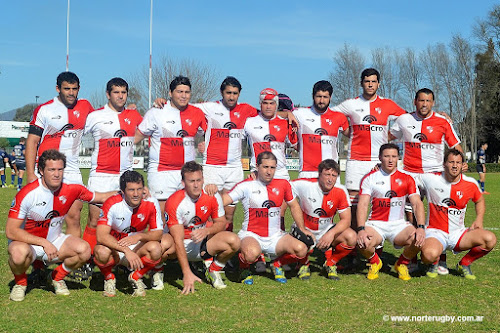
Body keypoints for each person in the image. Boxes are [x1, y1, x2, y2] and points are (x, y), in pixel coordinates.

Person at [6, 149, 116, 301]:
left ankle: (56, 277)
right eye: (51, 169)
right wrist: (43, 243)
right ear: (41, 171)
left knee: (84, 250)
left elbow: (101, 197)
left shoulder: (72, 189)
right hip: (28, 244)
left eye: (60, 169)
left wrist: (128, 192)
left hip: (55, 241)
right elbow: (11, 231)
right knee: (17, 254)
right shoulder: (27, 193)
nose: (56, 174)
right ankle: (21, 283)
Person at [390, 88, 463, 274]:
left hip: (435, 173)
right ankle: (412, 256)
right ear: (415, 102)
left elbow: (456, 146)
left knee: (440, 214)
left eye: (428, 101)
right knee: (411, 214)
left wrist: (460, 163)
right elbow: (387, 137)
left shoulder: (442, 121)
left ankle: (440, 259)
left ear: (433, 103)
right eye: (421, 100)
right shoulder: (404, 120)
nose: (424, 104)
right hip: (409, 173)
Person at [222, 151, 313, 285]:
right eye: (265, 167)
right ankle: (244, 268)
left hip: (275, 237)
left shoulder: (283, 184)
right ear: (257, 166)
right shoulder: (246, 185)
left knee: (302, 249)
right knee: (251, 253)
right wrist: (204, 198)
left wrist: (302, 228)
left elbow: (294, 206)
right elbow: (224, 200)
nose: (269, 171)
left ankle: (277, 264)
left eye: (272, 167)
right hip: (251, 235)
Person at [335, 69, 406, 230]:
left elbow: (408, 119)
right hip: (355, 161)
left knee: (379, 202)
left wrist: (390, 135)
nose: (370, 84)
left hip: (378, 161)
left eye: (373, 81)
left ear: (378, 84)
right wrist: (346, 131)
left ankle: (375, 243)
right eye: (367, 81)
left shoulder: (387, 104)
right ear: (361, 83)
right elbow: (330, 115)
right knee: (353, 204)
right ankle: (352, 244)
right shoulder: (351, 104)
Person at [26, 72, 94, 237]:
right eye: (66, 89)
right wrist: (30, 174)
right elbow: (32, 142)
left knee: (74, 214)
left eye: (74, 89)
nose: (71, 92)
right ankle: (38, 258)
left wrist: (128, 109)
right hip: (46, 169)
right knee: (41, 215)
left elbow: (105, 117)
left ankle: (73, 259)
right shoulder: (44, 110)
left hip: (71, 170)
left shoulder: (85, 106)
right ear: (58, 89)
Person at [83, 77, 143, 259]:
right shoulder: (94, 116)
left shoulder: (134, 115)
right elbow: (77, 136)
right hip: (100, 176)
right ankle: (88, 261)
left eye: (123, 92)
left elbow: (148, 130)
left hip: (124, 178)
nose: (120, 96)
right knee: (94, 220)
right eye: (116, 92)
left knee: (123, 220)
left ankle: (120, 258)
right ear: (108, 94)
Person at [135, 76, 207, 216]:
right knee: (162, 214)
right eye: (179, 91)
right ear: (170, 93)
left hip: (187, 173)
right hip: (161, 173)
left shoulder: (197, 113)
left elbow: (210, 133)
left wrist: (204, 143)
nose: (183, 95)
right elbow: (135, 138)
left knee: (189, 213)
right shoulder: (156, 112)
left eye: (187, 92)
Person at [421, 149, 497, 279]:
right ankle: (434, 261)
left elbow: (479, 201)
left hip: (458, 234)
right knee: (428, 255)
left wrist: (479, 219)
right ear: (444, 164)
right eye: (451, 162)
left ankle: (464, 264)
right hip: (436, 233)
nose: (455, 165)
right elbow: (409, 180)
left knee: (490, 239)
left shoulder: (470, 183)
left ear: (463, 165)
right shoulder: (430, 179)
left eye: (458, 162)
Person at [165, 161, 240, 294]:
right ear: (183, 182)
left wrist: (207, 230)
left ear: (203, 180)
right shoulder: (174, 201)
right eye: (191, 181)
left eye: (199, 180)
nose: (196, 185)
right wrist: (186, 272)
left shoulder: (212, 195)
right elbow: (177, 240)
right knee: (161, 245)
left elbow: (222, 223)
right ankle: (158, 272)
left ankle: (214, 270)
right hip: (178, 246)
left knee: (234, 241)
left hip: (202, 243)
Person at [356, 143, 426, 281]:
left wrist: (421, 227)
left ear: (398, 158)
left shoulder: (407, 178)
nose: (390, 160)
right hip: (376, 224)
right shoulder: (370, 178)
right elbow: (363, 204)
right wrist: (361, 229)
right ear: (380, 157)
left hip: (398, 225)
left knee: (419, 240)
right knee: (362, 242)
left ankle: (401, 264)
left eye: (394, 156)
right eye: (386, 156)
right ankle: (375, 261)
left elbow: (417, 203)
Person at [94, 170, 163, 297]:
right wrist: (126, 251)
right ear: (122, 191)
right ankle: (109, 278)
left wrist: (140, 236)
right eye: (131, 190)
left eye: (139, 189)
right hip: (115, 248)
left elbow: (158, 233)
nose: (136, 194)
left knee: (156, 248)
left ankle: (136, 276)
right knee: (101, 251)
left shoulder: (152, 202)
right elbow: (101, 236)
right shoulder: (111, 203)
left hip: (137, 248)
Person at [292, 159, 356, 280]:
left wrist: (331, 234)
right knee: (299, 248)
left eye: (334, 175)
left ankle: (330, 263)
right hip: (304, 230)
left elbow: (346, 220)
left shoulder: (341, 191)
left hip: (326, 230)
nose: (330, 179)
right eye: (327, 174)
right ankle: (303, 264)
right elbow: (283, 187)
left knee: (352, 237)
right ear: (319, 174)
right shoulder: (305, 184)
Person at [292, 80, 349, 179]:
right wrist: (288, 113)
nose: (322, 101)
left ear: (330, 97)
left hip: (331, 173)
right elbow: (278, 116)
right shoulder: (299, 113)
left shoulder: (339, 117)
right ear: (313, 96)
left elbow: (355, 135)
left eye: (325, 97)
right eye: (319, 96)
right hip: (307, 173)